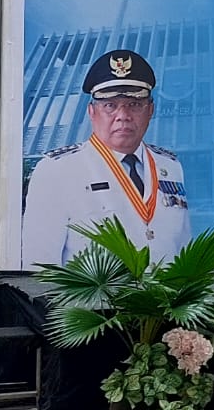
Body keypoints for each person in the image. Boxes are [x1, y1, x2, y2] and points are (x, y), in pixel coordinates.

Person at [20, 48, 193, 269]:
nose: (123, 116)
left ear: (150, 110)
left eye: (134, 104)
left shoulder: (170, 166)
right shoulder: (57, 171)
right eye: (110, 105)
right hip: (94, 303)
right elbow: (40, 268)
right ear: (92, 112)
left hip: (166, 302)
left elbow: (184, 251)